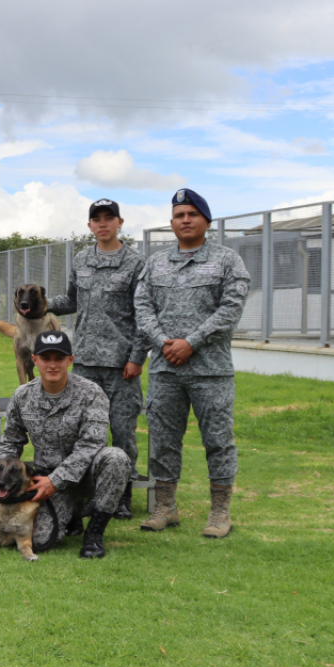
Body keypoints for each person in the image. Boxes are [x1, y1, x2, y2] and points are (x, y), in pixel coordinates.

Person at [134, 188, 250, 538]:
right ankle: (165, 507)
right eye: (179, 215)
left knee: (217, 439)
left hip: (210, 370)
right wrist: (163, 343)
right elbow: (142, 307)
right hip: (166, 369)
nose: (186, 220)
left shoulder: (228, 261)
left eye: (192, 214)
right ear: (171, 223)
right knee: (164, 439)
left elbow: (230, 310)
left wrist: (191, 343)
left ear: (206, 221)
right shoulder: (155, 263)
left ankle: (219, 513)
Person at [46, 199, 148, 519]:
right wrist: (40, 303)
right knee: (86, 432)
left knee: (122, 432)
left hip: (122, 366)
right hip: (87, 363)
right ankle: (85, 493)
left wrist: (136, 358)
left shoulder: (135, 263)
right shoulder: (82, 259)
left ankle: (122, 496)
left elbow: (144, 315)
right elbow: (71, 300)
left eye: (109, 218)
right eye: (96, 219)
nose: (102, 224)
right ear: (90, 226)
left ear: (120, 222)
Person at [0, 331, 130, 557]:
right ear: (35, 359)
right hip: (45, 478)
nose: (52, 365)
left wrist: (56, 481)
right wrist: (3, 477)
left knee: (116, 458)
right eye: (46, 358)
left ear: (70, 359)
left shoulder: (91, 393)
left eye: (59, 358)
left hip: (85, 477)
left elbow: (91, 445)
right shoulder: (23, 396)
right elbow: (11, 441)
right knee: (38, 541)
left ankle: (94, 534)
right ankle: (73, 513)